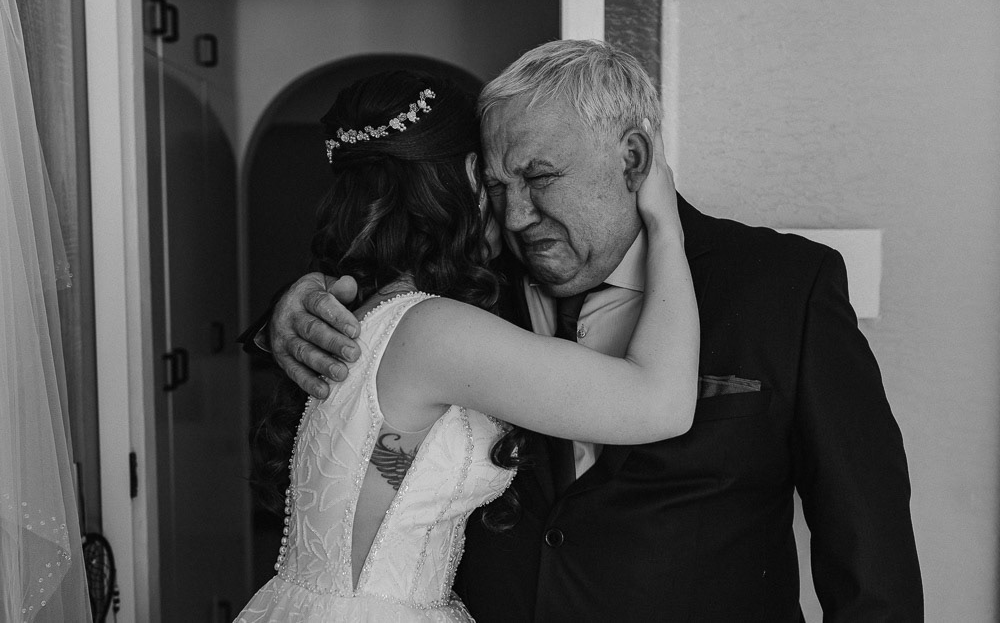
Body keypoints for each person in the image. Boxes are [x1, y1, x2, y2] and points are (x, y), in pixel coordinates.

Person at [259, 40, 924, 621]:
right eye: (496, 186)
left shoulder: (783, 287)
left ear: (632, 160)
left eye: (539, 177)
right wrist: (288, 309)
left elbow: (869, 544)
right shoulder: (469, 288)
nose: (515, 216)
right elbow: (382, 352)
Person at [236, 69, 699, 622]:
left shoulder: (370, 313)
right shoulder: (432, 332)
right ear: (471, 176)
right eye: (498, 183)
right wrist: (665, 225)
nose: (514, 210)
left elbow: (386, 470)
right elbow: (661, 403)